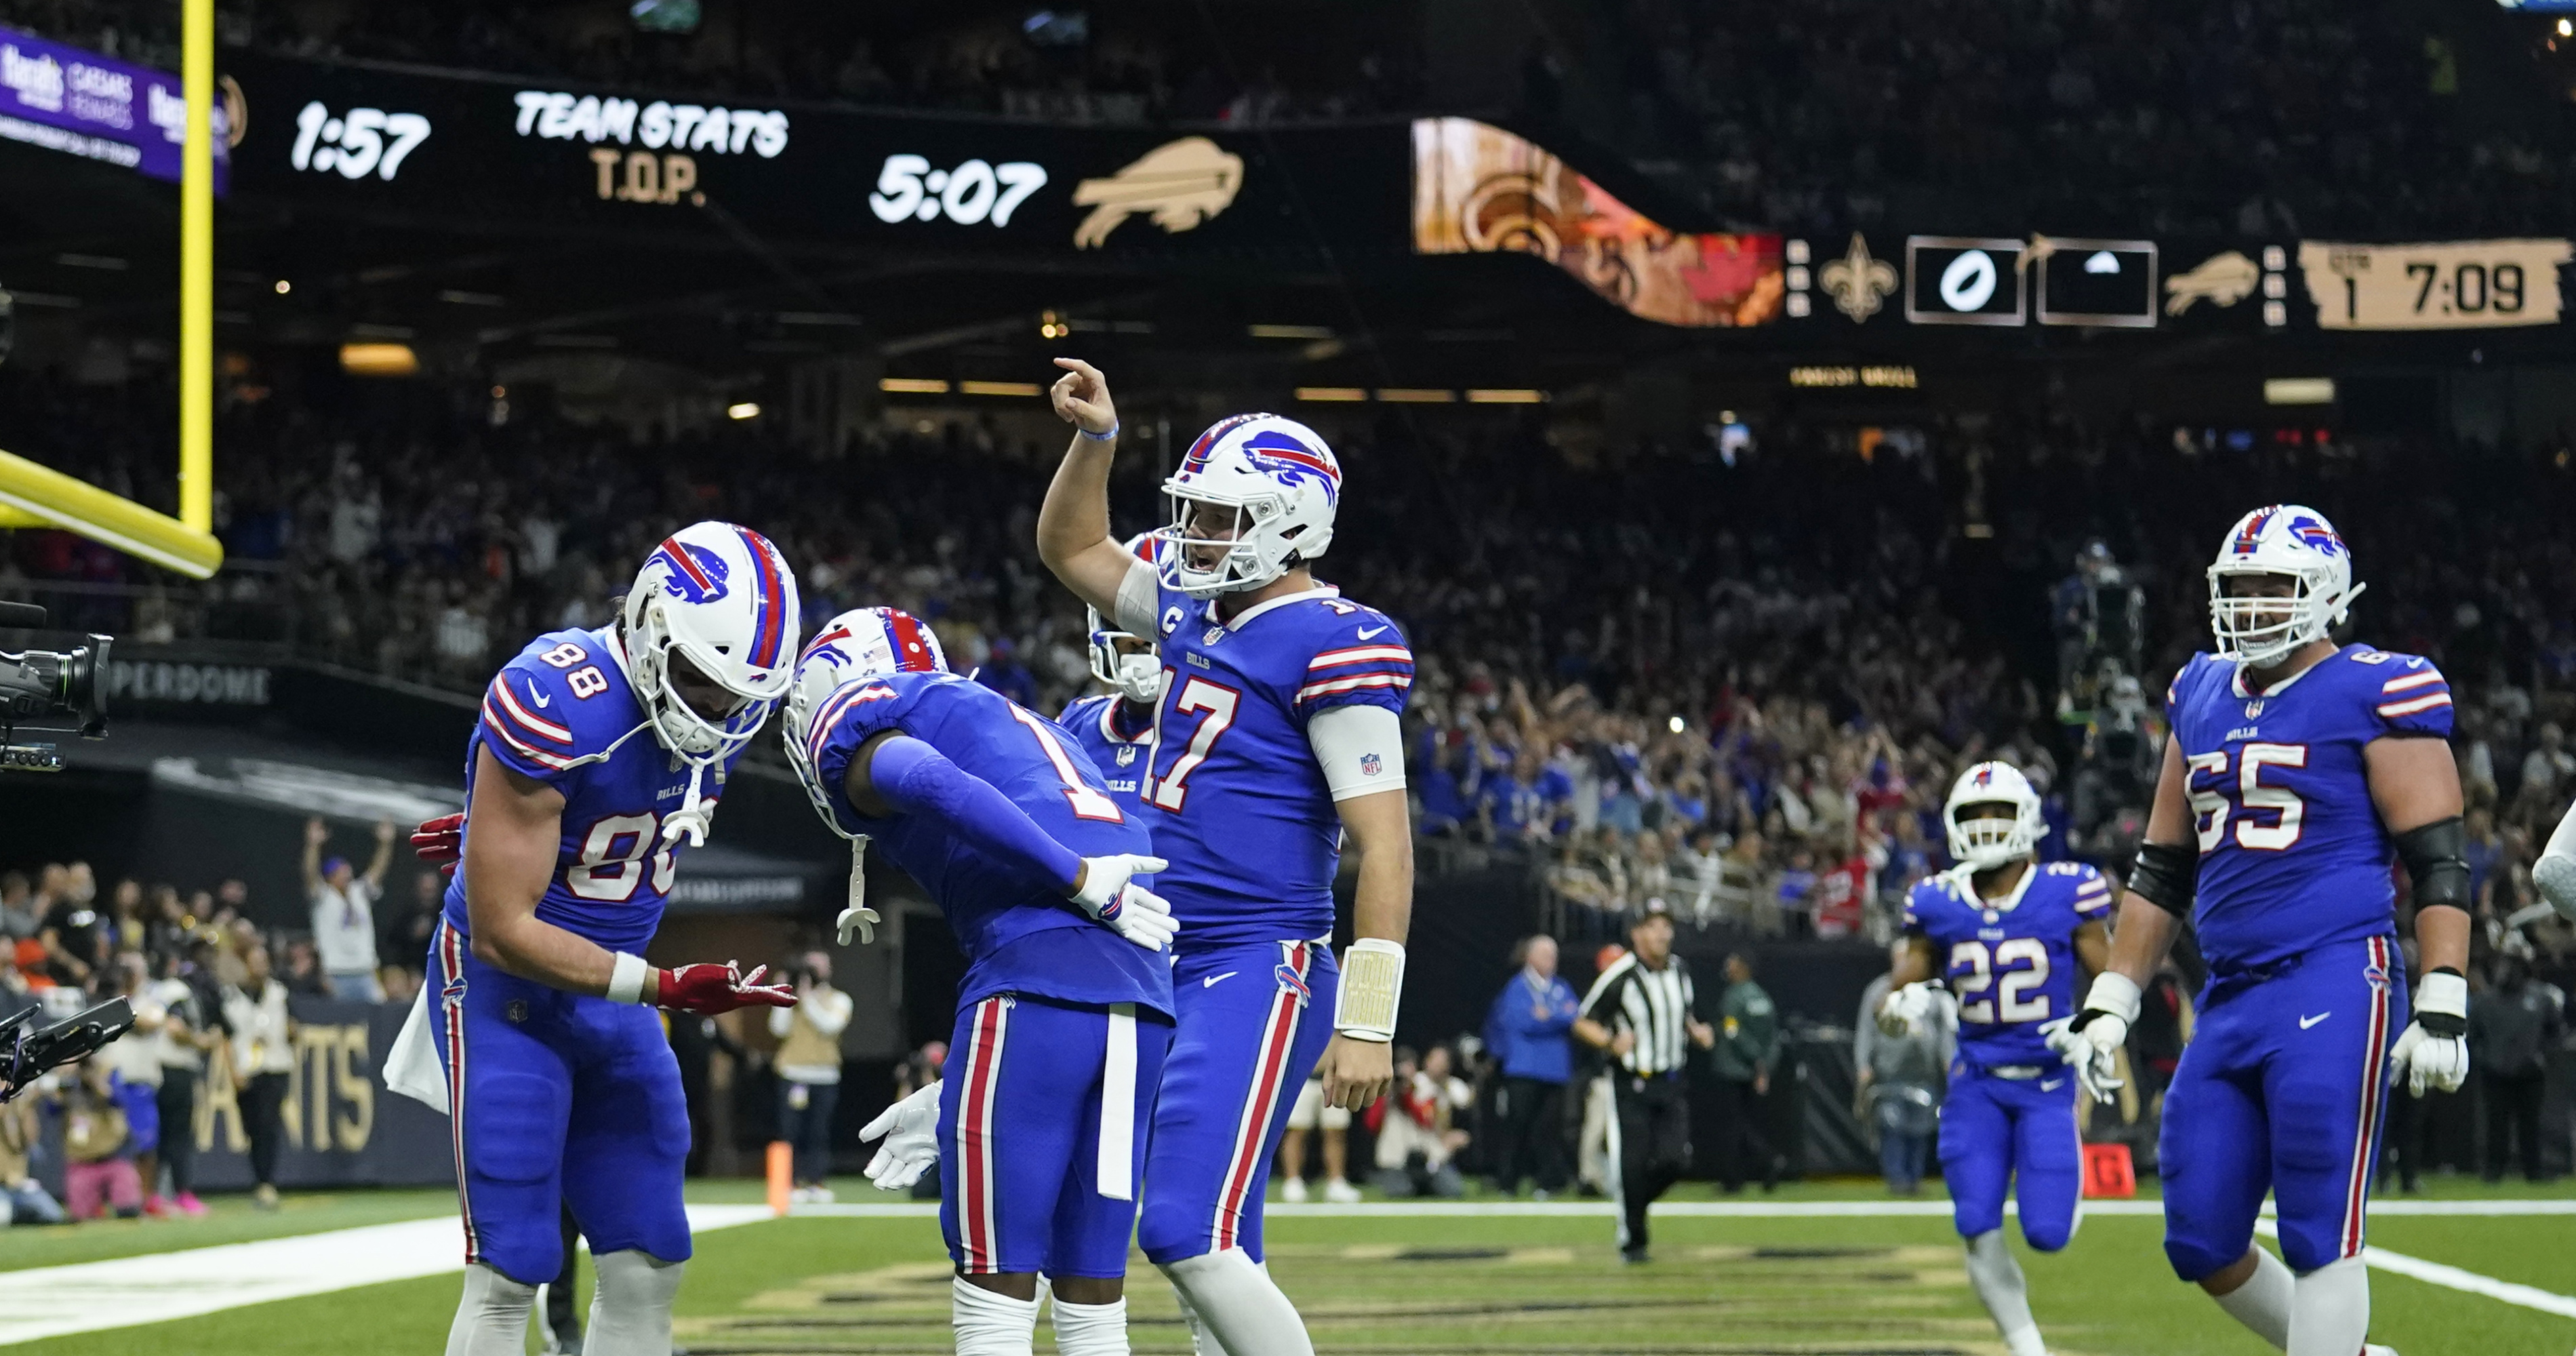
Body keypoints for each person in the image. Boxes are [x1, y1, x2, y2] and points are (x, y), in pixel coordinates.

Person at [1037, 361, 1414, 1356]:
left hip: (1259, 956)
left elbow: (1386, 845)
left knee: (1176, 1227)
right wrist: (1096, 442)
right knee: (1221, 1232)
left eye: (1219, 519)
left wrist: (1368, 1023)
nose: (1197, 537)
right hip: (1162, 955)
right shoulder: (1189, 611)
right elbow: (1069, 544)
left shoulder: (1335, 642)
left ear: (1290, 522)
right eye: (1194, 514)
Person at [399, 521, 808, 1356]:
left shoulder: (709, 710)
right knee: (512, 1266)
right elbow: (506, 932)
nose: (718, 710)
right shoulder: (556, 695)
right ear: (653, 623)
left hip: (611, 992)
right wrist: (659, 986)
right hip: (507, 992)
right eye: (700, 677)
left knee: (649, 1256)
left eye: (737, 694)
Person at [2072, 504, 2470, 1356]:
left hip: (2332, 974)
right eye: (2239, 587)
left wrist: (2441, 996)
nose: (2252, 606)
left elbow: (2437, 860)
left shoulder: (2376, 686)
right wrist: (2112, 995)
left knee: (2317, 1224)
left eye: (2273, 586)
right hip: (2230, 991)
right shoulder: (2200, 690)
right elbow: (2161, 866)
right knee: (2200, 1236)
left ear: (2324, 593)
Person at [780, 605, 1178, 1356]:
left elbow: (922, 776)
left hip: (1034, 986)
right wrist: (956, 1085)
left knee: (993, 1299)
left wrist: (1077, 878)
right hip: (1139, 1002)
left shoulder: (871, 713)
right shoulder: (1031, 726)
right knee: (1093, 1300)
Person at [1877, 762, 2116, 1356]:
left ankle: (2066, 1178)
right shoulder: (1935, 900)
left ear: (2029, 820)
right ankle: (2027, 1346)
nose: (1986, 826)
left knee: (2047, 1233)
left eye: (1999, 813)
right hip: (1975, 1083)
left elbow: (2112, 981)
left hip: (2046, 1082)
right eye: (1973, 815)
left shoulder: (2069, 888)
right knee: (1975, 1222)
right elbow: (1907, 974)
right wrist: (1898, 1001)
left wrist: (2094, 1030)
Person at [1573, 904, 1712, 1263]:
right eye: (1653, 926)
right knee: (1632, 1165)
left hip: (1671, 1079)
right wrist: (1609, 1042)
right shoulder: (1621, 974)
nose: (1663, 934)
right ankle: (1634, 1240)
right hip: (1633, 1083)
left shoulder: (1681, 969)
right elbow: (1583, 1021)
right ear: (1637, 934)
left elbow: (1684, 1014)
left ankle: (1632, 1207)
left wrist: (1695, 1032)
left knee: (1676, 1160)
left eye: (1666, 926)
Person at [1056, 532, 1167, 819]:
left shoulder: (1224, 735)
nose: (1139, 638)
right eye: (1126, 616)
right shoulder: (1074, 723)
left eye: (1157, 618)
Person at [1483, 934, 1580, 1198]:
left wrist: (1547, 1017)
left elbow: (1574, 1016)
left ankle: (1548, 1182)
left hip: (1555, 1070)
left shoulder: (1560, 987)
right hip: (1523, 1069)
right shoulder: (1516, 988)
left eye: (1555, 955)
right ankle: (1508, 1183)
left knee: (1549, 1129)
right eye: (1547, 955)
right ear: (1531, 957)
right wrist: (1553, 1019)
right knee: (1517, 1127)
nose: (1553, 960)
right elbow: (1520, 1021)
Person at [1852, 940, 1950, 1197]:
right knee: (1892, 1124)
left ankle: (1914, 1178)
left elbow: (1944, 1034)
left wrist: (1948, 1062)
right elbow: (1865, 1030)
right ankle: (1897, 1177)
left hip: (1924, 1072)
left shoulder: (1934, 993)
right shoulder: (1878, 991)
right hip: (1889, 1070)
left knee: (1921, 1126)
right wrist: (1864, 1064)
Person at [2468, 953, 2563, 1183]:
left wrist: (2540, 1056)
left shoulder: (2540, 997)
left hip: (2531, 1072)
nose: (2508, 974)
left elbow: (2555, 1032)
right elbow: (2473, 1035)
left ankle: (2534, 1171)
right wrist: (2487, 1059)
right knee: (2496, 1125)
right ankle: (2493, 1171)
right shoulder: (2485, 1001)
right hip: (2495, 1073)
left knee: (2531, 1124)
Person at [769, 949, 854, 1203]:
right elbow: (778, 1029)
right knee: (791, 1129)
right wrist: (782, 994)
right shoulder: (791, 1000)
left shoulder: (840, 1000)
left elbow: (830, 1026)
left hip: (825, 1075)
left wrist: (807, 999)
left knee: (819, 1131)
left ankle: (816, 1181)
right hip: (794, 1073)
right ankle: (791, 1182)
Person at [225, 942, 296, 1211]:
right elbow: (226, 1036)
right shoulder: (232, 996)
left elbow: (293, 1026)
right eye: (254, 962)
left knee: (269, 1125)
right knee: (252, 1128)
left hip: (275, 1065)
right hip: (247, 1069)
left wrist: (292, 1031)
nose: (259, 967)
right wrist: (233, 1071)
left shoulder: (279, 993)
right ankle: (261, 1180)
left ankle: (266, 1182)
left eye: (263, 961)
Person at [149, 945, 218, 1216]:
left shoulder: (154, 990)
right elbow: (176, 1029)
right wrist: (201, 1041)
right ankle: (181, 1193)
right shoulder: (177, 992)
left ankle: (155, 1194)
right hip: (175, 1069)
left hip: (155, 1069)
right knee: (178, 1135)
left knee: (161, 1136)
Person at [1709, 951, 1783, 1194]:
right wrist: (1764, 1065)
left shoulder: (1734, 997)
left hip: (1732, 1068)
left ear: (1743, 968)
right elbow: (1773, 1036)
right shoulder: (1763, 997)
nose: (1727, 969)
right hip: (1754, 1071)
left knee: (1733, 1126)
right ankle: (1760, 1165)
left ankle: (1741, 1175)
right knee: (1745, 1122)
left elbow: (1732, 1030)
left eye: (1732, 965)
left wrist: (1754, 1058)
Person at [306, 816, 395, 1002]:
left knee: (379, 1016)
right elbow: (310, 874)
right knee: (345, 1025)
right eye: (342, 872)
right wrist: (313, 845)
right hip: (337, 973)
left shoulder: (358, 892)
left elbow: (377, 872)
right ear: (331, 877)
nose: (348, 875)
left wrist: (386, 844)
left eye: (348, 871)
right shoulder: (324, 896)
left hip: (366, 971)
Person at [1276, 1071, 1361, 1205]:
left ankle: (1336, 1183)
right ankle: (1292, 1182)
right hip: (1304, 1077)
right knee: (1297, 1132)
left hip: (1335, 1077)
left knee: (1335, 1132)